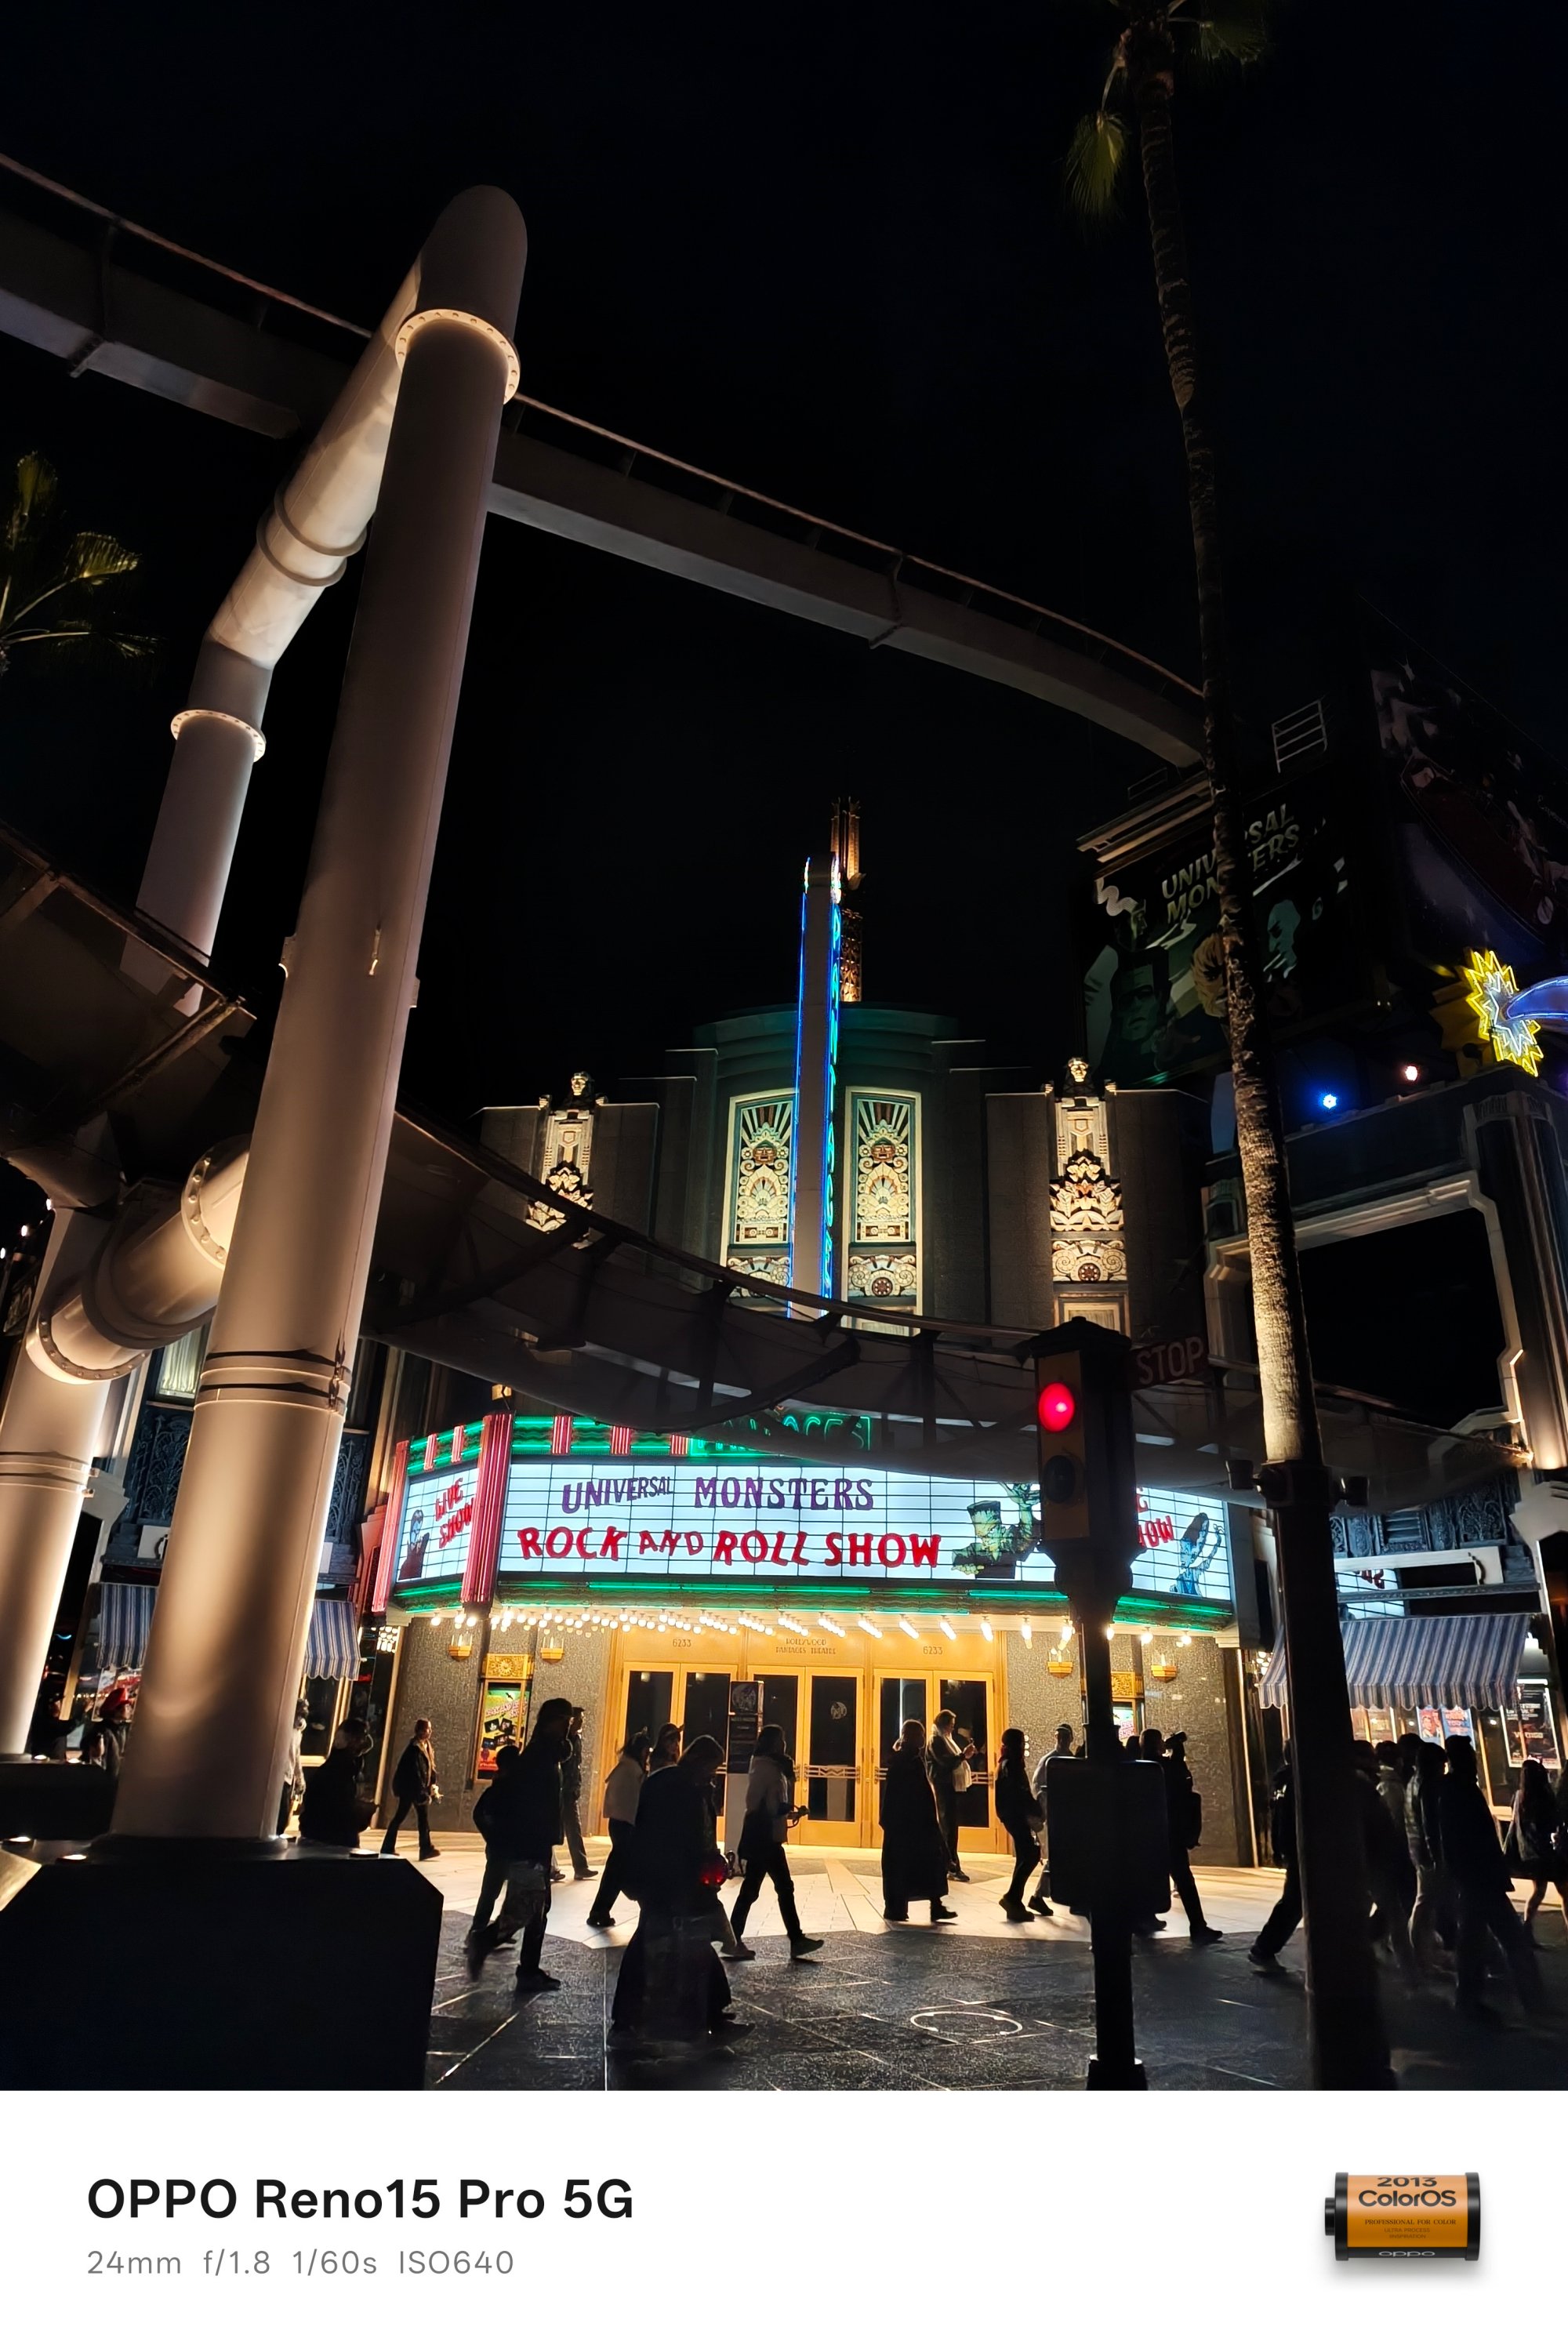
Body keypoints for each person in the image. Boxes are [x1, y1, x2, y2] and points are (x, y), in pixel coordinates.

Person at [612, 1735, 742, 2045]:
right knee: (656, 1946)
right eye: (712, 1768)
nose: (713, 1775)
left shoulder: (669, 1782)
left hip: (663, 1881)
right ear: (701, 1763)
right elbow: (686, 1839)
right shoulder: (684, 1789)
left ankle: (710, 2015)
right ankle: (628, 2022)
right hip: (671, 1884)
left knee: (684, 1944)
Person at [1439, 1735, 1543, 2019]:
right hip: (1479, 1878)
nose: (1474, 1760)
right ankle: (1530, 1999)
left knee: (1474, 1941)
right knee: (1506, 1939)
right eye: (1470, 1755)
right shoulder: (1457, 1791)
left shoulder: (1456, 1789)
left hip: (1476, 1878)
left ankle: (1470, 1998)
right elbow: (1461, 1840)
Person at [477, 1697, 575, 1994]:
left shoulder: (547, 1755)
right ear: (551, 1722)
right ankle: (490, 1944)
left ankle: (527, 1968)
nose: (568, 1727)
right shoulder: (538, 1758)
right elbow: (532, 1805)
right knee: (531, 1907)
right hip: (533, 1844)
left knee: (537, 1907)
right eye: (565, 1721)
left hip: (538, 1842)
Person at [729, 1724, 825, 1961]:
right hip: (766, 1840)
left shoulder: (774, 1767)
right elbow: (755, 1802)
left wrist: (790, 1812)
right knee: (777, 1888)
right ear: (773, 1743)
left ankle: (733, 1938)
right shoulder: (764, 1767)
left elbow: (771, 1803)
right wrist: (781, 1809)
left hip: (769, 1837)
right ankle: (793, 1939)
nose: (784, 1743)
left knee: (757, 1889)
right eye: (781, 1739)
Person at [466, 1744, 549, 1978]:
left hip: (504, 1851)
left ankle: (486, 1933)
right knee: (511, 1897)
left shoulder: (504, 1785)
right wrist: (496, 1837)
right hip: (507, 1852)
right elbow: (483, 1815)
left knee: (500, 1893)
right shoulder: (507, 1787)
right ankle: (482, 1934)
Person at [1144, 1729, 1221, 1944]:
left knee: (1147, 1879)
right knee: (1185, 1881)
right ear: (1157, 1744)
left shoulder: (1140, 1767)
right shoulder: (1163, 1766)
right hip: (1171, 1833)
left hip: (1149, 1835)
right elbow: (1183, 1779)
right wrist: (1177, 1749)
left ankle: (1143, 1921)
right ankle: (1198, 1926)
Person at [1352, 1739, 1416, 1983]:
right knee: (1395, 1914)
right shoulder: (1367, 1786)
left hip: (1372, 1858)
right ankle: (1410, 1975)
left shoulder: (1370, 1785)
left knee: (1386, 1912)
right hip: (1376, 1858)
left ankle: (1367, 1952)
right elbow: (1384, 1823)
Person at [880, 1721, 956, 1924]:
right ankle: (929, 1906)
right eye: (920, 1735)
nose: (923, 1739)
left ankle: (930, 1905)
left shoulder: (906, 1759)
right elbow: (910, 1794)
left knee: (919, 1864)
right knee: (925, 1863)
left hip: (909, 1823)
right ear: (913, 1737)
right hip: (912, 1823)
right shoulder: (907, 1761)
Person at [587, 1732, 650, 1932]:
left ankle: (600, 1911)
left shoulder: (625, 1767)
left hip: (618, 1823)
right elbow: (635, 1801)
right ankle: (601, 1910)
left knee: (616, 1871)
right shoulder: (632, 1771)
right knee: (618, 1872)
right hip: (626, 1825)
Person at [1248, 1749, 1301, 1973]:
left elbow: (1279, 1818)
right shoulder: (1297, 1781)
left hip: (1293, 1848)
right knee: (1294, 1902)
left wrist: (1279, 1848)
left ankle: (1264, 1948)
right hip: (1300, 1848)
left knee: (1294, 1902)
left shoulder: (1284, 1781)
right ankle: (1264, 1948)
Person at [1405, 1740, 1455, 1970]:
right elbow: (1430, 1823)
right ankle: (1420, 1957)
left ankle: (1424, 1954)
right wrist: (1437, 1855)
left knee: (1425, 1903)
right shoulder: (1427, 1785)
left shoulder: (1413, 1783)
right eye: (1441, 1765)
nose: (1443, 1769)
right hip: (1428, 1853)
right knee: (1425, 1904)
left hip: (1418, 1849)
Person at [1508, 1757, 1568, 1943]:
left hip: (1531, 1855)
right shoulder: (1544, 1797)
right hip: (1549, 1856)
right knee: (1565, 1893)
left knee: (1538, 1892)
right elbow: (1553, 1821)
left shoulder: (1519, 1797)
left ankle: (1527, 1927)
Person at [995, 1727, 1050, 1922]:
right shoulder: (1012, 1765)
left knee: (1025, 1855)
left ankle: (1014, 1900)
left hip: (1012, 1815)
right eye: (1021, 1743)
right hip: (1015, 1816)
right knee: (1031, 1854)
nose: (1023, 1746)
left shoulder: (1007, 1763)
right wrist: (1036, 1809)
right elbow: (1021, 1794)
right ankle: (1012, 1898)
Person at [298, 1719, 375, 1849]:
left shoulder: (341, 1768)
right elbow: (340, 1810)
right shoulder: (340, 1771)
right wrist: (360, 1812)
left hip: (326, 1838)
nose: (362, 1742)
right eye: (359, 1739)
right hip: (333, 1841)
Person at [380, 1718, 441, 1859]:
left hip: (420, 1789)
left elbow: (430, 1766)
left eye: (430, 1729)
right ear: (420, 1731)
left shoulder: (426, 1746)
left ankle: (425, 1848)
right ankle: (388, 1847)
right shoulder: (414, 1749)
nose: (430, 1732)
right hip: (410, 1790)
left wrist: (432, 1783)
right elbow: (415, 1772)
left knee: (423, 1819)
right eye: (427, 1729)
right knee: (400, 1816)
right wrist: (421, 1790)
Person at [927, 1709, 974, 1880]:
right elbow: (945, 1762)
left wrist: (963, 1756)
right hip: (944, 1787)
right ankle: (951, 1865)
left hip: (949, 1787)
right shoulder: (936, 1740)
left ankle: (950, 1864)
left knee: (950, 1827)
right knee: (948, 1828)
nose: (953, 1728)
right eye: (951, 1725)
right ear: (943, 1724)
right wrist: (962, 1756)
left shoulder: (945, 1739)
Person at [560, 1706, 597, 1883]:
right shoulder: (562, 1740)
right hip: (559, 1791)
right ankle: (549, 1867)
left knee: (574, 1829)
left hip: (570, 1791)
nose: (582, 1722)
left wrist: (577, 1785)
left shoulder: (577, 1740)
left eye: (583, 1719)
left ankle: (581, 1867)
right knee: (550, 1829)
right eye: (579, 1719)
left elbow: (577, 1766)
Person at [278, 1698, 308, 1836]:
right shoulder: (286, 1728)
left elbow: (296, 1755)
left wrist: (299, 1779)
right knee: (280, 1815)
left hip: (288, 1776)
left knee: (283, 1815)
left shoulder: (297, 1731)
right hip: (282, 1775)